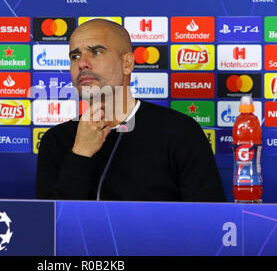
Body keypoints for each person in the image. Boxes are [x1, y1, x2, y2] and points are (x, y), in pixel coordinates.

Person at [35, 19, 226, 202]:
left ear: (127, 63)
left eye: (96, 52)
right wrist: (80, 154)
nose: (82, 63)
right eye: (74, 56)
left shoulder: (179, 132)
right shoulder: (56, 140)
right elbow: (51, 225)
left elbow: (210, 220)